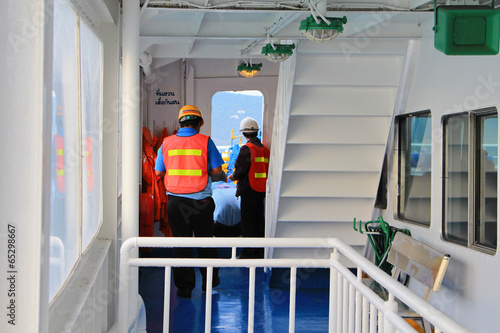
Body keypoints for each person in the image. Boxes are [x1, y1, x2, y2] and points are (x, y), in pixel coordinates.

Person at [155, 105, 227, 298]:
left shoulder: (167, 143)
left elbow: (159, 172)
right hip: (201, 203)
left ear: (180, 123)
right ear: (199, 124)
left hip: (176, 204)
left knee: (181, 244)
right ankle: (209, 282)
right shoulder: (205, 142)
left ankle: (185, 288)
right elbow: (217, 171)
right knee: (205, 242)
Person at [228, 117, 270, 259]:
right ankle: (259, 251)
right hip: (261, 190)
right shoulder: (265, 149)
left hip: (249, 189)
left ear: (244, 134)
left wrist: (233, 176)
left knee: (247, 222)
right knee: (259, 220)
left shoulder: (247, 149)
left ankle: (248, 252)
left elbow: (240, 170)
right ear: (256, 132)